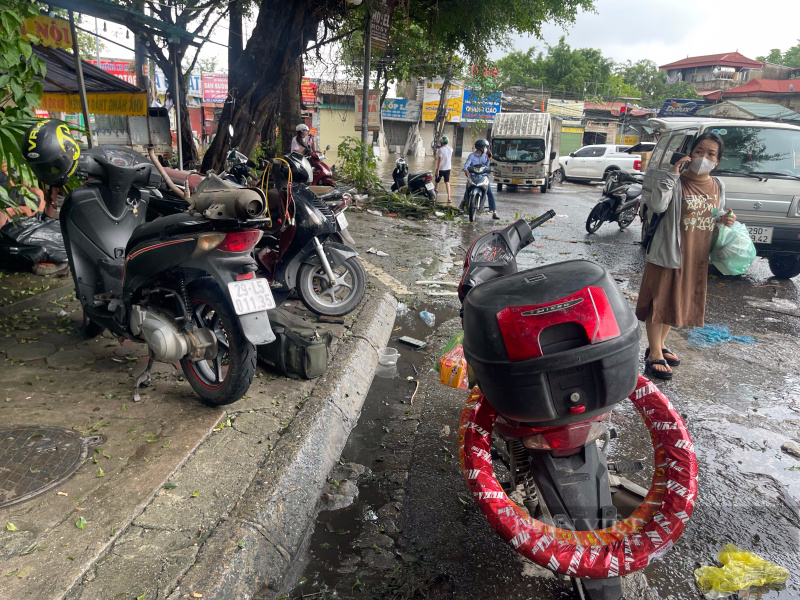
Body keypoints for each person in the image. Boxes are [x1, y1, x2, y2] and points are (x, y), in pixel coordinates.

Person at [635, 132, 736, 380]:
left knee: (676, 301)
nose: (704, 157)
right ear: (690, 153)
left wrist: (725, 219)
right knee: (660, 301)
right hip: (668, 251)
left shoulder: (718, 185)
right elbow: (657, 206)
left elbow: (715, 214)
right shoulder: (675, 180)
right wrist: (672, 174)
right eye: (699, 151)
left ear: (718, 160)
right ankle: (654, 354)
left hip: (696, 253)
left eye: (711, 153)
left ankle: (659, 344)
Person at [0, 162, 45, 229]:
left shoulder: (12, 163)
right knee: (37, 200)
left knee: (39, 192)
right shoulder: (3, 170)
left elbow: (20, 180)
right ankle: (35, 222)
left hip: (16, 189)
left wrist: (27, 187)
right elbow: (10, 188)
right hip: (9, 194)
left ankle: (37, 220)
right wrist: (6, 172)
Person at [462, 138, 499, 219]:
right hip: (473, 176)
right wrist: (465, 170)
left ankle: (494, 211)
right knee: (467, 189)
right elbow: (466, 165)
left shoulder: (486, 155)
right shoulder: (472, 156)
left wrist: (489, 160)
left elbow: (487, 166)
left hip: (483, 176)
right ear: (481, 148)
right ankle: (463, 204)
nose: (486, 149)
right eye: (485, 147)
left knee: (489, 193)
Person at [434, 135, 453, 205]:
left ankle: (434, 196)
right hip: (448, 168)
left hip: (441, 168)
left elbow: (439, 161)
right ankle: (449, 197)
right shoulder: (451, 149)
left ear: (442, 142)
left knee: (437, 181)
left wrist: (437, 170)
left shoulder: (440, 150)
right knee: (447, 182)